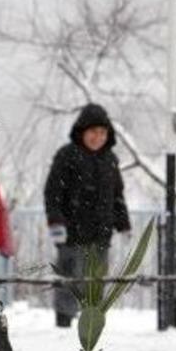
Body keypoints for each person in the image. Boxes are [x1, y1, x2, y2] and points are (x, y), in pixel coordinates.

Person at [44, 104, 130, 328]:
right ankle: (63, 320)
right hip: (71, 233)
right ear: (82, 131)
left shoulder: (110, 160)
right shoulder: (66, 155)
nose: (97, 137)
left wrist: (123, 222)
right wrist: (55, 221)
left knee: (95, 280)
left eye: (102, 133)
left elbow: (117, 194)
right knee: (68, 278)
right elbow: (53, 192)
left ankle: (92, 322)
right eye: (93, 132)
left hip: (101, 233)